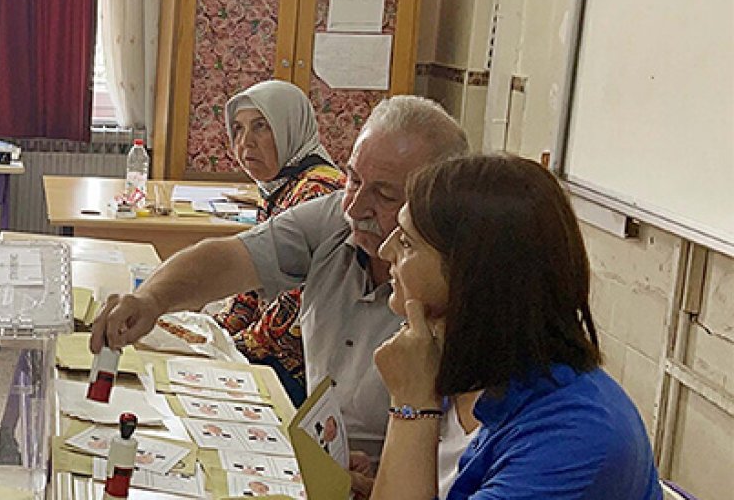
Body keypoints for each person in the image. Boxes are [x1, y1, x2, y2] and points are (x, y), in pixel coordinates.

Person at [91, 95, 469, 461]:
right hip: (320, 452)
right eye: (353, 180)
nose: (355, 206)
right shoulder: (335, 219)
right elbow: (230, 257)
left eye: (385, 195)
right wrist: (151, 300)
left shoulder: (452, 291)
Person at [370, 154, 661, 500]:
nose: (385, 251)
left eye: (406, 243)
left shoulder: (577, 437)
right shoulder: (465, 366)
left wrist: (411, 406)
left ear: (474, 273)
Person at [210, 80, 344, 405]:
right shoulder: (280, 184)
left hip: (301, 370)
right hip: (272, 354)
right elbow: (254, 277)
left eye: (261, 127)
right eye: (238, 130)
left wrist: (234, 348)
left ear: (289, 128)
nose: (245, 144)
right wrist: (214, 332)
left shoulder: (318, 190)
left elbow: (293, 309)